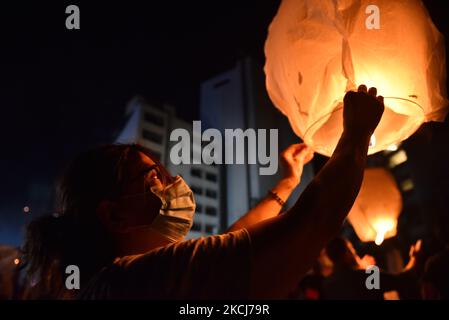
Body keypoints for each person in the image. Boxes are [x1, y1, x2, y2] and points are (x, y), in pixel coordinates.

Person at [23, 84, 384, 299]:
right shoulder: (135, 281)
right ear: (114, 215)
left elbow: (232, 241)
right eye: (154, 177)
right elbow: (308, 224)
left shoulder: (118, 282)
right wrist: (356, 134)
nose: (173, 185)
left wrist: (286, 184)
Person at [322, 236, 422, 300]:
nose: (356, 255)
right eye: (352, 251)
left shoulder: (328, 285)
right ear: (346, 254)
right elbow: (402, 280)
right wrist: (414, 258)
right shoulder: (365, 277)